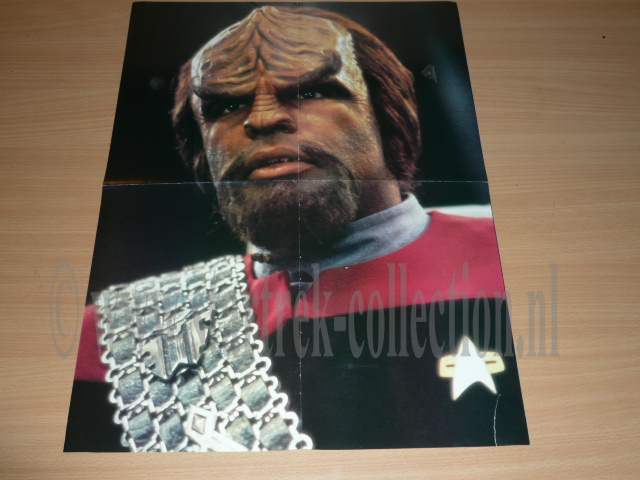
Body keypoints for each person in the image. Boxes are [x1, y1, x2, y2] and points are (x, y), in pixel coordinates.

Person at [66, 5, 528, 452]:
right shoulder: (112, 344)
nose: (263, 118)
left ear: (389, 116)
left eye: (311, 91)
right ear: (201, 155)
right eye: (226, 105)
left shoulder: (517, 266)